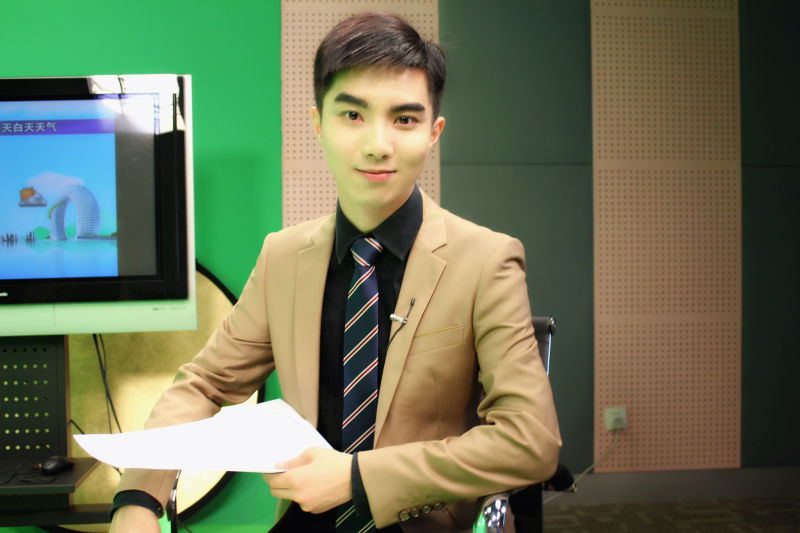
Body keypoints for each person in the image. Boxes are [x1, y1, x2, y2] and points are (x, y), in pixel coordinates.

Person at [109, 12, 560, 533]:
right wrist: (138, 496)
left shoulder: (486, 260)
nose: (377, 144)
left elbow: (530, 441)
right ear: (318, 123)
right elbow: (204, 384)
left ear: (433, 133)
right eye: (352, 115)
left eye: (404, 120)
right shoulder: (283, 257)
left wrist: (357, 479)